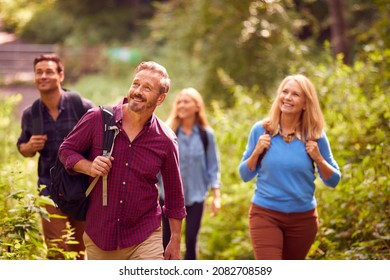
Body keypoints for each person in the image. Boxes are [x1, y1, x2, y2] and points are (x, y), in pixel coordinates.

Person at [58, 61, 186, 260]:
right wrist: (89, 167)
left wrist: (175, 239)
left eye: (147, 88)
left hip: (145, 235)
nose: (138, 91)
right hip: (100, 234)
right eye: (136, 84)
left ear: (160, 98)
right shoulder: (97, 119)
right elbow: (66, 150)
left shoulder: (166, 140)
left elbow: (174, 193)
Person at [238, 74, 341, 260]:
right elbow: (244, 174)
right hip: (265, 213)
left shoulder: (315, 136)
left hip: (303, 219)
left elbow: (334, 180)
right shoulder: (261, 130)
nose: (287, 97)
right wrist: (257, 151)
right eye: (284, 92)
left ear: (305, 104)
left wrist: (318, 158)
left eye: (295, 94)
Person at [17, 53, 94, 259]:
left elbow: (102, 144)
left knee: (81, 252)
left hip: (82, 190)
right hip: (49, 190)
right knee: (57, 251)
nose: (43, 76)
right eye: (38, 72)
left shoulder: (83, 107)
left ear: (61, 75)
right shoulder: (30, 113)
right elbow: (23, 148)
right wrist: (30, 146)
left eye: (49, 71)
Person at [159, 87, 221, 260]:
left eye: (186, 101)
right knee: (167, 241)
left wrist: (216, 196)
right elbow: (157, 165)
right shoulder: (167, 132)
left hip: (196, 196)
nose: (181, 105)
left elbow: (213, 166)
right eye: (179, 101)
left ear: (197, 107)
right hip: (168, 197)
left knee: (192, 241)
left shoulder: (206, 135)